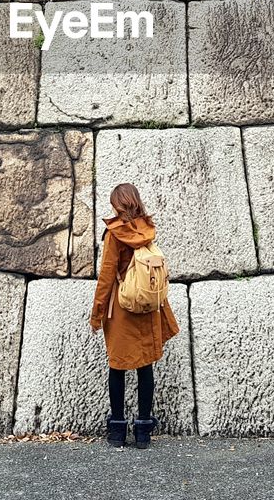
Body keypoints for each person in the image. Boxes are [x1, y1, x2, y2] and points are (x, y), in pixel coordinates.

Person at [89, 182, 179, 449]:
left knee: (117, 367)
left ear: (117, 204)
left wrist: (97, 313)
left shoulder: (114, 234)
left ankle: (117, 430)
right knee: (145, 367)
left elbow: (107, 276)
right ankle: (143, 431)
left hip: (122, 308)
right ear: (136, 201)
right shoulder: (147, 229)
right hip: (148, 308)